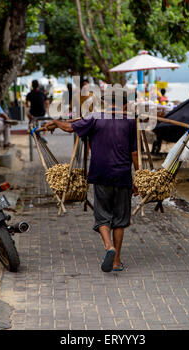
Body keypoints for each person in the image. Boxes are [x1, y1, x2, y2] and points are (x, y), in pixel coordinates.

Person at [43, 92, 139, 273]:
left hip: (101, 174)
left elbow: (69, 128)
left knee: (102, 215)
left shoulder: (94, 118)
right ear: (124, 105)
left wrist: (55, 122)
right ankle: (117, 261)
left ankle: (108, 246)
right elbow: (134, 153)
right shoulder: (130, 122)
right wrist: (138, 178)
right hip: (123, 175)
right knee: (120, 219)